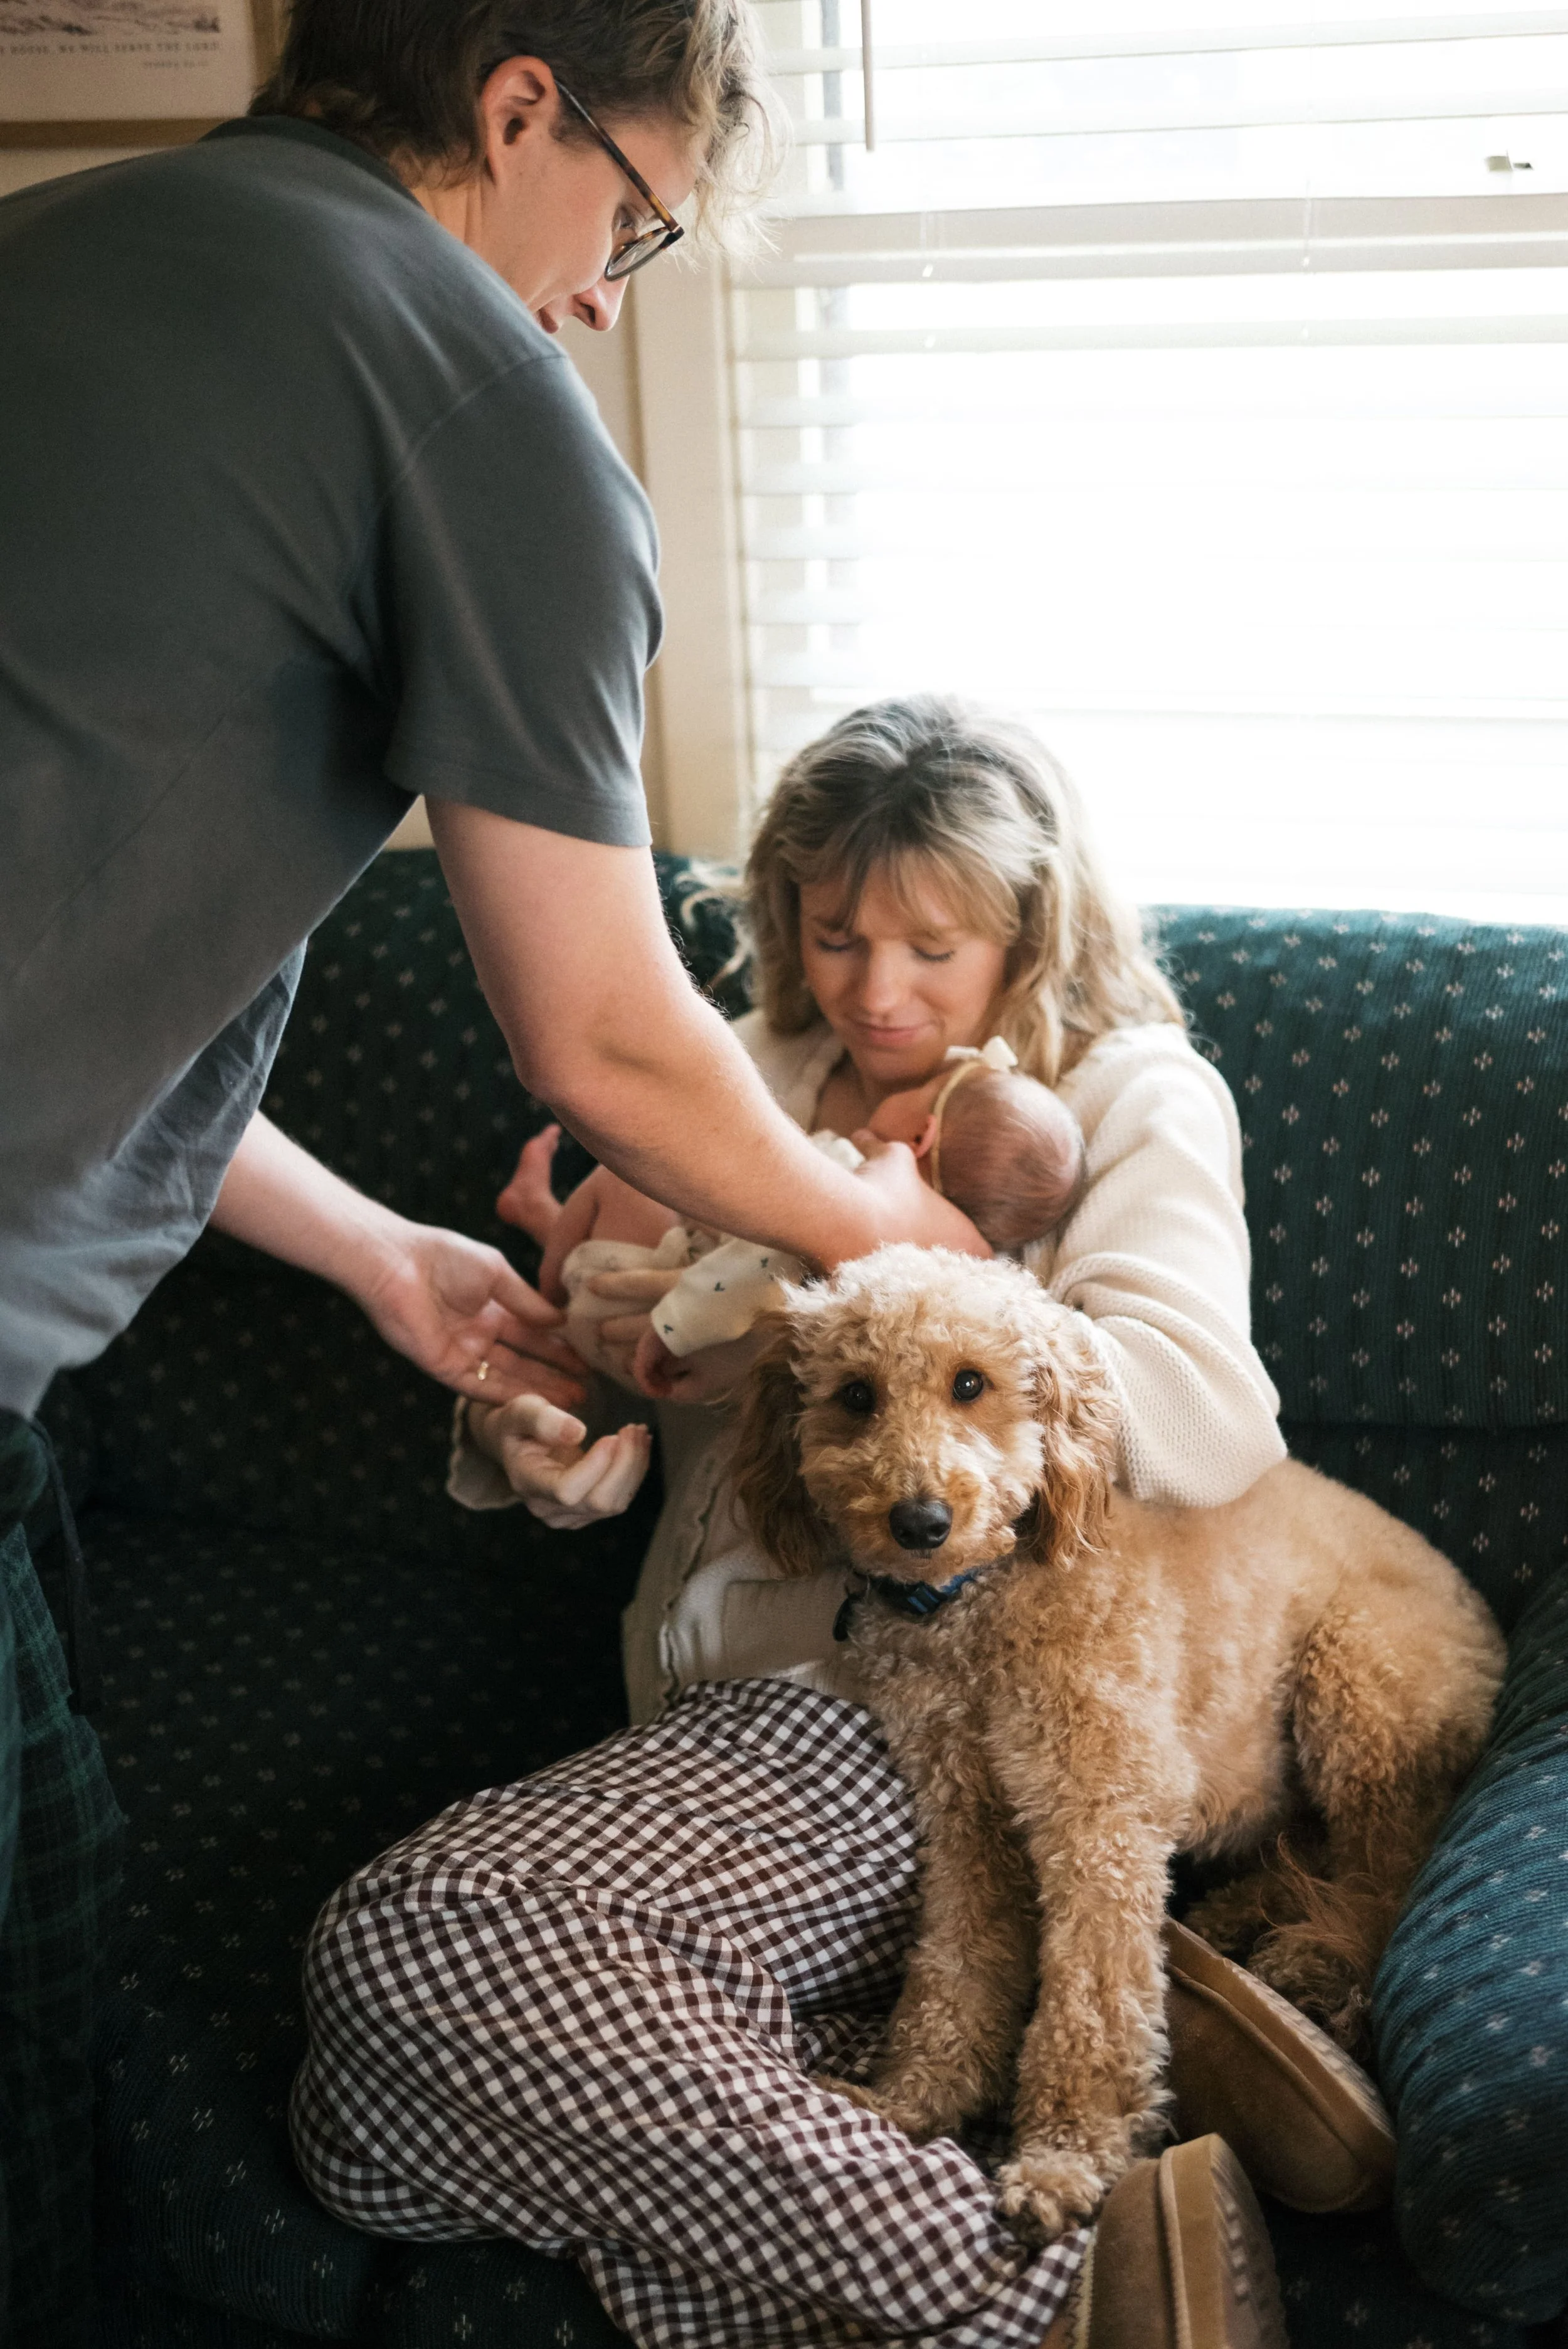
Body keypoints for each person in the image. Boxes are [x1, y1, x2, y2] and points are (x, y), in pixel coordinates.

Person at [0, 9, 983, 2336]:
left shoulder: (59, 255)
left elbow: (64, 949)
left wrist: (372, 1255)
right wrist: (883, 1224)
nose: (603, 302)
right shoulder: (472, 391)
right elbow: (609, 1028)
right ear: (518, 103)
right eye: (631, 222)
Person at [292, 701, 1298, 2347]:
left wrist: (918, 1260)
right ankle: (1089, 2203)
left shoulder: (1118, 1097)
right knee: (366, 2151)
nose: (875, 991)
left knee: (410, 1955)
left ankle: (1067, 2284)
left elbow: (1202, 1418)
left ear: (1029, 931)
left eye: (931, 944)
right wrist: (538, 1432)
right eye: (834, 935)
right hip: (695, 1711)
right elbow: (636, 1344)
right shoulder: (738, 1074)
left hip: (917, 1705)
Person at [492, 1036, 1085, 1376]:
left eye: (916, 1092)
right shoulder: (962, 1256)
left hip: (675, 1305)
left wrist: (674, 1325)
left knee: (626, 1187)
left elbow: (752, 1264)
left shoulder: (875, 1174)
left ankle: (544, 1286)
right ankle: (540, 1216)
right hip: (701, 1292)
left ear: (921, 1137)